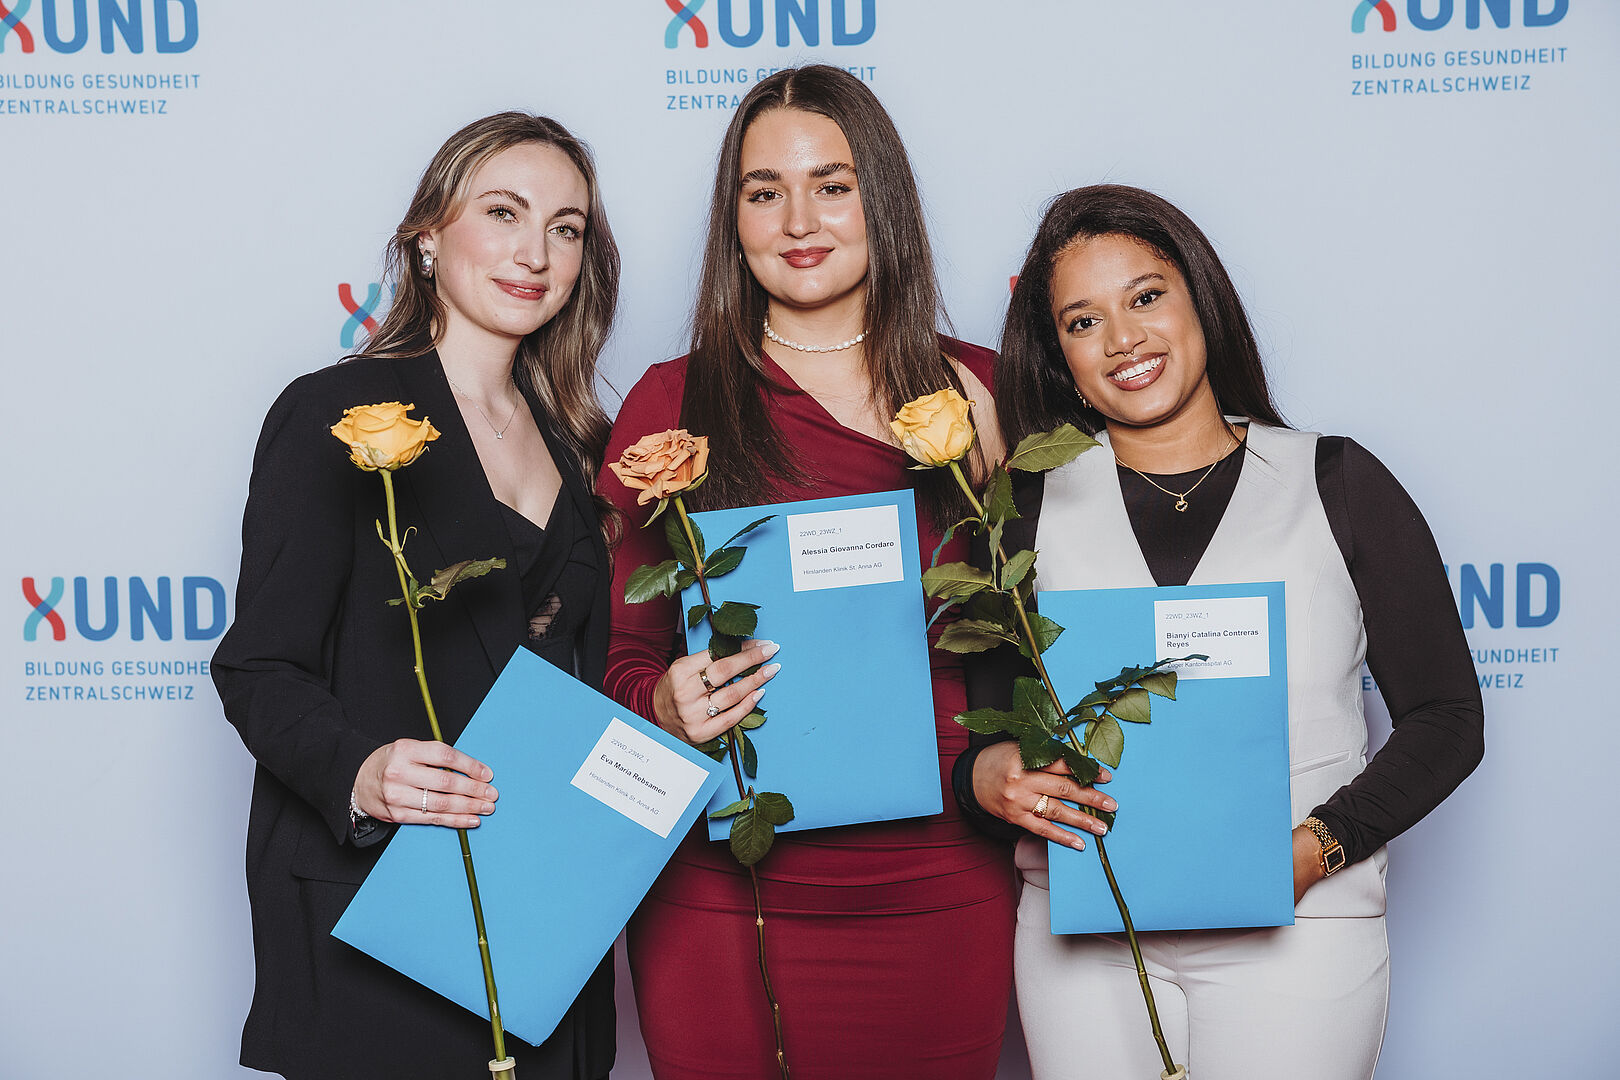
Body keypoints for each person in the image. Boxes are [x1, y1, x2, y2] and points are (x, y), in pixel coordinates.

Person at [957, 184, 1485, 1080]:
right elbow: (989, 740)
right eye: (1083, 322)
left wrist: (1318, 848)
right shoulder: (1022, 508)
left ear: (1201, 297)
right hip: (1089, 935)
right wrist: (988, 777)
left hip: (1303, 926)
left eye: (1146, 296)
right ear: (1060, 356)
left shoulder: (1337, 481)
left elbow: (1447, 718)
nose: (1123, 339)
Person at [599, 65, 1019, 1080]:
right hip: (722, 890)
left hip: (943, 875)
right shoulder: (671, 404)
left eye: (832, 185)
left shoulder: (982, 391)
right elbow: (617, 657)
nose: (799, 221)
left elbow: (1033, 642)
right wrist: (664, 703)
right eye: (764, 191)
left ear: (883, 199)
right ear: (733, 219)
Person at [212, 112, 620, 1080]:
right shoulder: (334, 415)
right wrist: (359, 771)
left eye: (565, 228)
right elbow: (258, 667)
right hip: (377, 919)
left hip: (542, 925)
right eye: (503, 212)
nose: (535, 253)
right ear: (428, 236)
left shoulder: (579, 444)